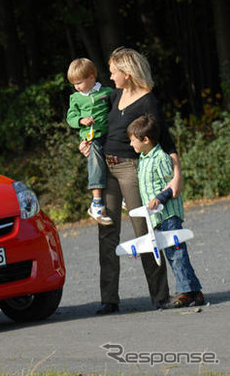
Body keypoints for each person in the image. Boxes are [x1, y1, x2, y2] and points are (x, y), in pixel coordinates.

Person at [80, 47, 181, 315]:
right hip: (107, 169)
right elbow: (101, 128)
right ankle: (109, 299)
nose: (110, 76)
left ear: (127, 72)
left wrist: (177, 175)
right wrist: (87, 143)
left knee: (145, 230)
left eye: (113, 72)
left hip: (131, 169)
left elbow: (165, 139)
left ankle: (160, 296)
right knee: (107, 232)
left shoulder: (148, 101)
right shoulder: (114, 96)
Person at [127, 114, 204, 308]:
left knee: (176, 253)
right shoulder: (143, 159)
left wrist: (160, 199)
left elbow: (172, 186)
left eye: (132, 140)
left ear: (145, 140)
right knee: (172, 253)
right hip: (157, 217)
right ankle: (194, 291)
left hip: (168, 214)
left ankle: (186, 292)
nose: (130, 144)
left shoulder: (160, 158)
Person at [66, 58, 113, 225]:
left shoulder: (106, 92)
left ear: (92, 78)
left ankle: (121, 195)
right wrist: (80, 120)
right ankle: (97, 203)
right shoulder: (76, 98)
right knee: (96, 163)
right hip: (91, 138)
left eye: (79, 82)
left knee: (118, 161)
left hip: (110, 135)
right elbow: (70, 118)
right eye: (74, 84)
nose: (77, 87)